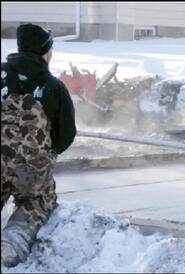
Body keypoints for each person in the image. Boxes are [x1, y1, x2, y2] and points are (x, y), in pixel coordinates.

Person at [1, 23, 76, 267]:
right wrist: (46, 154)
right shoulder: (53, 86)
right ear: (45, 51)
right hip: (31, 169)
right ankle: (11, 245)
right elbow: (66, 134)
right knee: (35, 203)